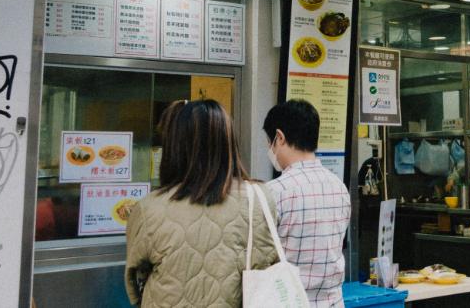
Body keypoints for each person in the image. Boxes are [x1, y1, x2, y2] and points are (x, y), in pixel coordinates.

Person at [125, 100, 279, 307]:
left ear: (174, 146)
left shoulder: (148, 208)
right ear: (228, 143)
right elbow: (268, 261)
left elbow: (134, 284)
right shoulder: (260, 198)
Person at [264, 99, 351, 307]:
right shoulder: (339, 187)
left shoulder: (275, 191)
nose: (269, 149)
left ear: (280, 137)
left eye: (269, 142)